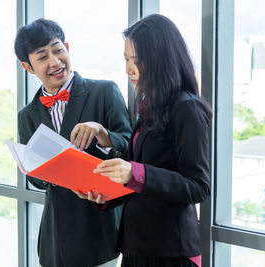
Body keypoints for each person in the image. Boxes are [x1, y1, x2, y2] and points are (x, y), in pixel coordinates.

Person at [74, 14, 211, 267]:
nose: (128, 69)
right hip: (137, 247)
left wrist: (135, 172)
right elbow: (138, 179)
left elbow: (198, 186)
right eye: (126, 60)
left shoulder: (188, 108)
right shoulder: (150, 106)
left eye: (136, 61)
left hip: (171, 252)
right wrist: (106, 194)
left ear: (162, 59)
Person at [14, 18, 131, 267]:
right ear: (28, 66)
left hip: (102, 229)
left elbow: (131, 147)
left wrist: (102, 133)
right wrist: (41, 169)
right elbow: (35, 180)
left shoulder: (104, 92)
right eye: (42, 56)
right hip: (56, 236)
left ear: (67, 47)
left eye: (58, 50)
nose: (54, 62)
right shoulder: (27, 115)